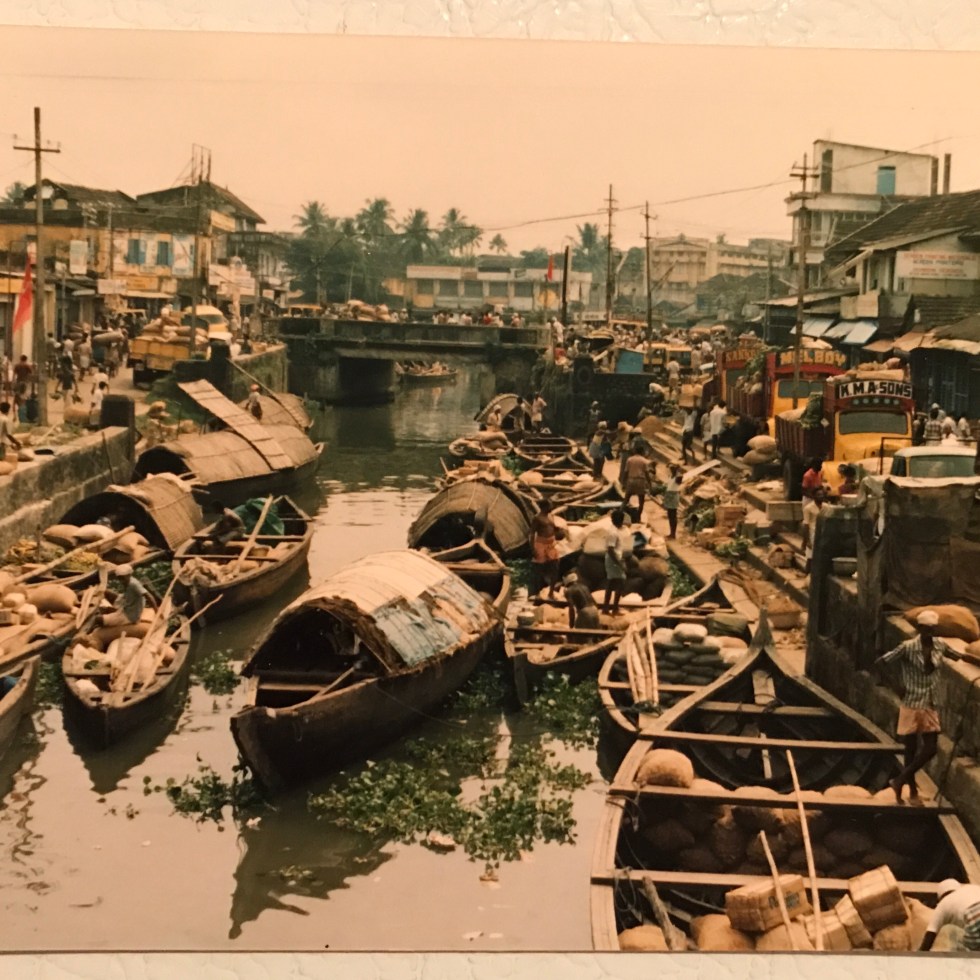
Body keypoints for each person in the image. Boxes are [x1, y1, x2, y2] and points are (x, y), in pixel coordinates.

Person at [873, 609, 960, 804]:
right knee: (910, 749)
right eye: (926, 629)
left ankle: (900, 780)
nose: (929, 632)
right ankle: (911, 791)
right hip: (911, 702)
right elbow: (881, 662)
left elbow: (960, 657)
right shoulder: (908, 647)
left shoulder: (940, 645)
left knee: (931, 748)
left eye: (932, 629)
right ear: (920, 628)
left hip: (929, 702)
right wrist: (895, 685)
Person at [919, 879, 980, 951]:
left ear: (941, 897)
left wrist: (919, 955)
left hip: (974, 914)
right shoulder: (971, 887)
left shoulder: (942, 904)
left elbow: (930, 936)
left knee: (969, 948)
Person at [528, 499, 562, 599]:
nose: (551, 507)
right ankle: (536, 593)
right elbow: (532, 533)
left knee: (555, 567)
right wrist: (533, 549)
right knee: (539, 569)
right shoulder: (537, 518)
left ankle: (551, 592)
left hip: (551, 544)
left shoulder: (550, 516)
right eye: (550, 506)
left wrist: (558, 530)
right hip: (541, 544)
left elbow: (553, 528)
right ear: (544, 507)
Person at [602, 510, 628, 615]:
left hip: (614, 559)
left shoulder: (614, 530)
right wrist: (619, 563)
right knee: (620, 582)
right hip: (613, 560)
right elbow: (610, 550)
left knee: (612, 583)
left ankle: (607, 608)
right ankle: (614, 608)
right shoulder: (613, 533)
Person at [622, 447, 655, 522]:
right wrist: (650, 484)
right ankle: (638, 518)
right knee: (641, 501)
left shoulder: (630, 459)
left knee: (626, 500)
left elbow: (626, 472)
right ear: (642, 452)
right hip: (640, 481)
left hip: (631, 480)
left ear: (635, 451)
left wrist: (623, 482)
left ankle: (620, 514)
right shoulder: (644, 461)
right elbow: (646, 474)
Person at [663, 464, 682, 539]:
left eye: (672, 469)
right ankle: (671, 533)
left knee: (673, 516)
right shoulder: (671, 477)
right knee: (670, 516)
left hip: (673, 496)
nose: (670, 470)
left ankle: (673, 534)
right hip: (669, 495)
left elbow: (680, 477)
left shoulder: (678, 477)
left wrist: (678, 470)